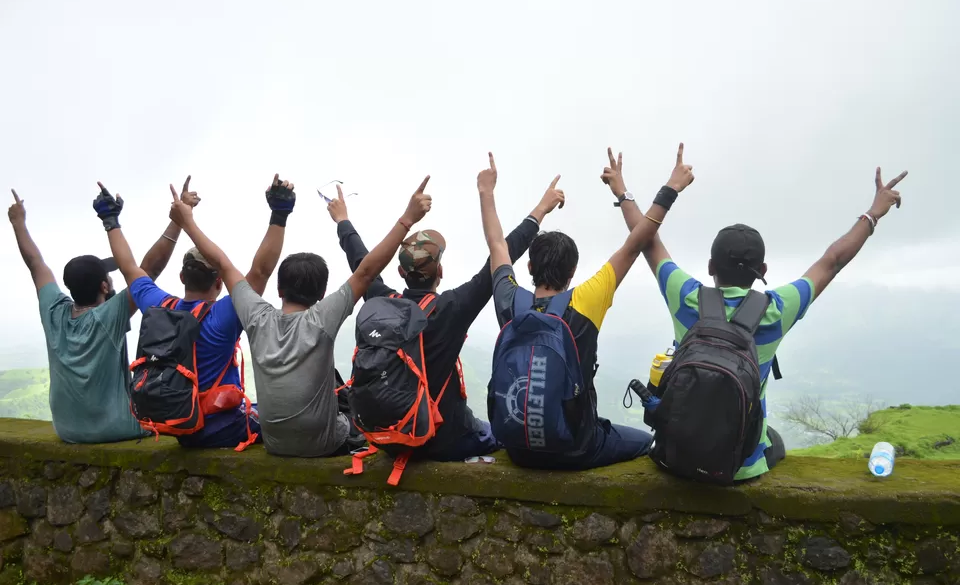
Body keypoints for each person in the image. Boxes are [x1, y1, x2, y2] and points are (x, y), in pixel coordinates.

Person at [615, 143, 908, 480]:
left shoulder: (685, 295)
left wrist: (623, 192)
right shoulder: (777, 310)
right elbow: (833, 261)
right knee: (775, 441)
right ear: (763, 268)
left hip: (675, 459)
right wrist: (873, 214)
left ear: (711, 266)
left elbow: (646, 241)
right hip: (738, 469)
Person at [168, 178, 434, 457]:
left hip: (274, 444)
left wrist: (187, 223)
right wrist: (407, 219)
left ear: (279, 289)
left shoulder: (257, 317)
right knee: (349, 405)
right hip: (323, 444)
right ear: (321, 295)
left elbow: (223, 263)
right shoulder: (322, 319)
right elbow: (366, 272)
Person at [332, 171, 565, 462]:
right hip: (443, 439)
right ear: (439, 272)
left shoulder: (382, 303)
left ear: (402, 273)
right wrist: (540, 210)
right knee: (498, 436)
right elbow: (500, 256)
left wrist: (343, 221)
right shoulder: (452, 308)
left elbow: (360, 260)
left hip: (390, 436)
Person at [483, 150, 686, 469]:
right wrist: (660, 189)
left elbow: (497, 245)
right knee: (645, 441)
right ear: (573, 271)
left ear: (531, 265)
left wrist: (489, 193)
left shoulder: (510, 301)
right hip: (576, 449)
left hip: (517, 449)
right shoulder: (586, 299)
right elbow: (635, 243)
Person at [103, 174, 296, 449]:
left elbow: (129, 267)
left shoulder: (159, 306)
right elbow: (261, 271)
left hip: (177, 424)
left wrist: (110, 221)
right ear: (219, 282)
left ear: (182, 277)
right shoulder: (226, 314)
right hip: (220, 427)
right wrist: (280, 213)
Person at [7, 181, 195, 443]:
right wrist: (179, 219)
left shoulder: (54, 312)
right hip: (117, 428)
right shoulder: (108, 317)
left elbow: (35, 263)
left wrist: (18, 222)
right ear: (104, 286)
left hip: (67, 430)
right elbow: (148, 271)